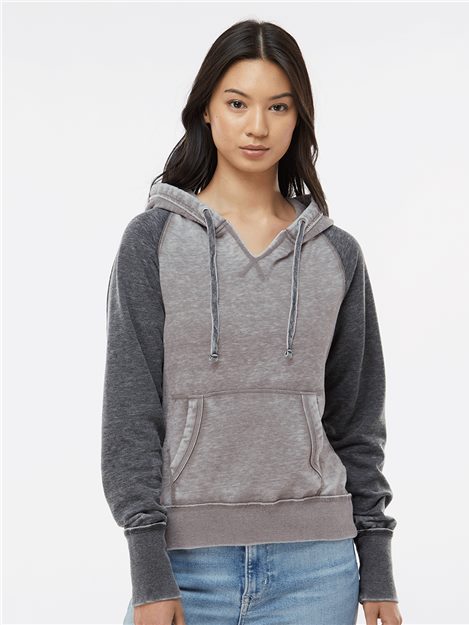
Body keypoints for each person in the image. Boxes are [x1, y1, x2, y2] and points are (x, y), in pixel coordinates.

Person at [101, 18, 403, 625]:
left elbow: (357, 421)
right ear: (206, 110)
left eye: (278, 106)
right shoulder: (152, 241)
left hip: (319, 569)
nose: (258, 126)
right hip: (186, 567)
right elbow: (131, 414)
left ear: (298, 119)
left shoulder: (336, 255)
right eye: (237, 103)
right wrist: (148, 569)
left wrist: (377, 564)